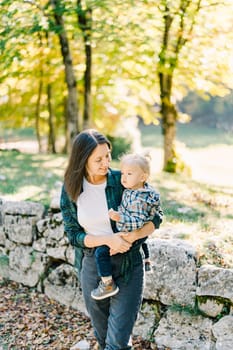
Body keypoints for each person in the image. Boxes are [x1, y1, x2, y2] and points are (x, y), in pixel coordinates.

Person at [60, 129, 163, 350]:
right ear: (82, 160)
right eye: (98, 159)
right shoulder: (71, 188)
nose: (106, 163)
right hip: (92, 265)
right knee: (103, 334)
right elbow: (73, 235)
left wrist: (133, 236)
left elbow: (156, 216)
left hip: (128, 263)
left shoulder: (122, 179)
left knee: (117, 342)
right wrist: (108, 240)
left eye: (107, 156)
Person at [91, 153, 161, 300]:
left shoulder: (138, 198)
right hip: (132, 233)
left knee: (101, 252)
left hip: (129, 232)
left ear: (142, 177)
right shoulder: (137, 190)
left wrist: (119, 217)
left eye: (129, 174)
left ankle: (107, 283)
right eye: (123, 173)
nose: (124, 177)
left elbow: (137, 222)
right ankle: (146, 259)